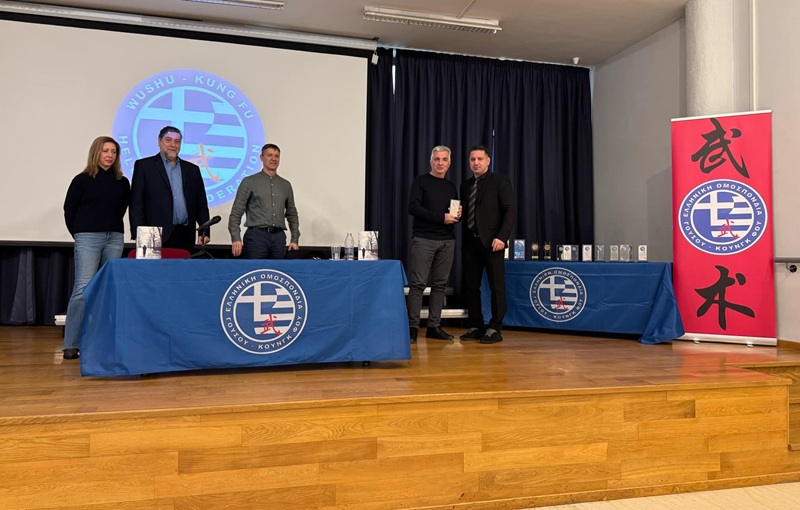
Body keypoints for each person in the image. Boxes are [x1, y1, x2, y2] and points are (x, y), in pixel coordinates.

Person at [62, 136, 131, 360]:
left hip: (115, 238)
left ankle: (101, 340)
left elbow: (121, 209)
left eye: (113, 152)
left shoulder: (123, 182)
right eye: (105, 151)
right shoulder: (81, 180)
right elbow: (69, 210)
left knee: (108, 289)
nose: (110, 155)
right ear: (96, 153)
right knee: (83, 288)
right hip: (88, 237)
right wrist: (80, 234)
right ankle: (71, 344)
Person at [459, 144, 516, 344]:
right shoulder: (465, 185)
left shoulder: (500, 181)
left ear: (488, 161)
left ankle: (495, 327)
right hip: (470, 243)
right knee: (471, 286)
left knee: (496, 286)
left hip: (493, 243)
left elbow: (509, 210)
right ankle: (476, 325)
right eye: (472, 159)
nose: (476, 162)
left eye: (480, 159)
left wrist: (502, 237)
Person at [407, 145, 461, 344]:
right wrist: (441, 218)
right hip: (424, 239)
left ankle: (433, 327)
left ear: (449, 163)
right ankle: (412, 328)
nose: (440, 163)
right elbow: (413, 208)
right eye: (437, 159)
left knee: (440, 286)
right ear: (430, 161)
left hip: (447, 240)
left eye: (444, 159)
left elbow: (451, 215)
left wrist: (457, 216)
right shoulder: (420, 182)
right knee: (418, 285)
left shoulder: (451, 187)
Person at [129, 126, 210, 253]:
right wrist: (138, 233)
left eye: (177, 141)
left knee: (182, 266)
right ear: (159, 141)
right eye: (168, 140)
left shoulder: (192, 170)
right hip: (151, 234)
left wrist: (204, 231)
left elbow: (201, 203)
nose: (173, 144)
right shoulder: (144, 166)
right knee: (152, 267)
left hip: (185, 234)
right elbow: (136, 203)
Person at [228, 143, 300, 258]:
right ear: (261, 157)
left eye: (277, 156)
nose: (273, 159)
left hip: (279, 238)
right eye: (269, 155)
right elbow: (236, 213)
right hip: (256, 237)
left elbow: (292, 214)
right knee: (257, 269)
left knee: (277, 269)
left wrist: (294, 239)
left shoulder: (285, 185)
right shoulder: (249, 182)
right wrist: (236, 238)